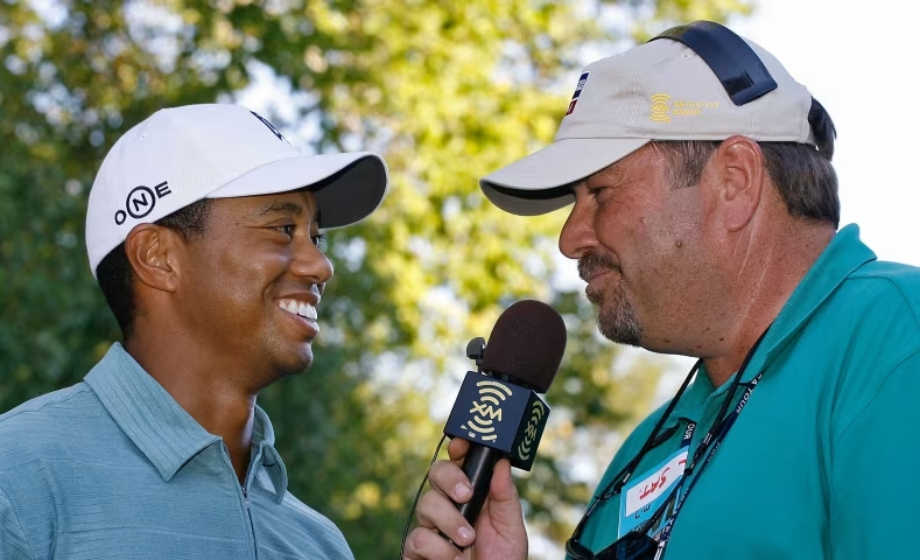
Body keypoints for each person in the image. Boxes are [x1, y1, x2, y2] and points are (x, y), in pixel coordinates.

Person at [403, 20, 920, 560]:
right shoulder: (651, 445)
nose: (569, 239)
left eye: (600, 191)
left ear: (735, 181)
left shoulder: (897, 342)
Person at [0, 103, 388, 559]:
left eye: (315, 237)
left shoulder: (320, 544)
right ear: (158, 257)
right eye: (283, 228)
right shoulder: (16, 477)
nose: (321, 265)